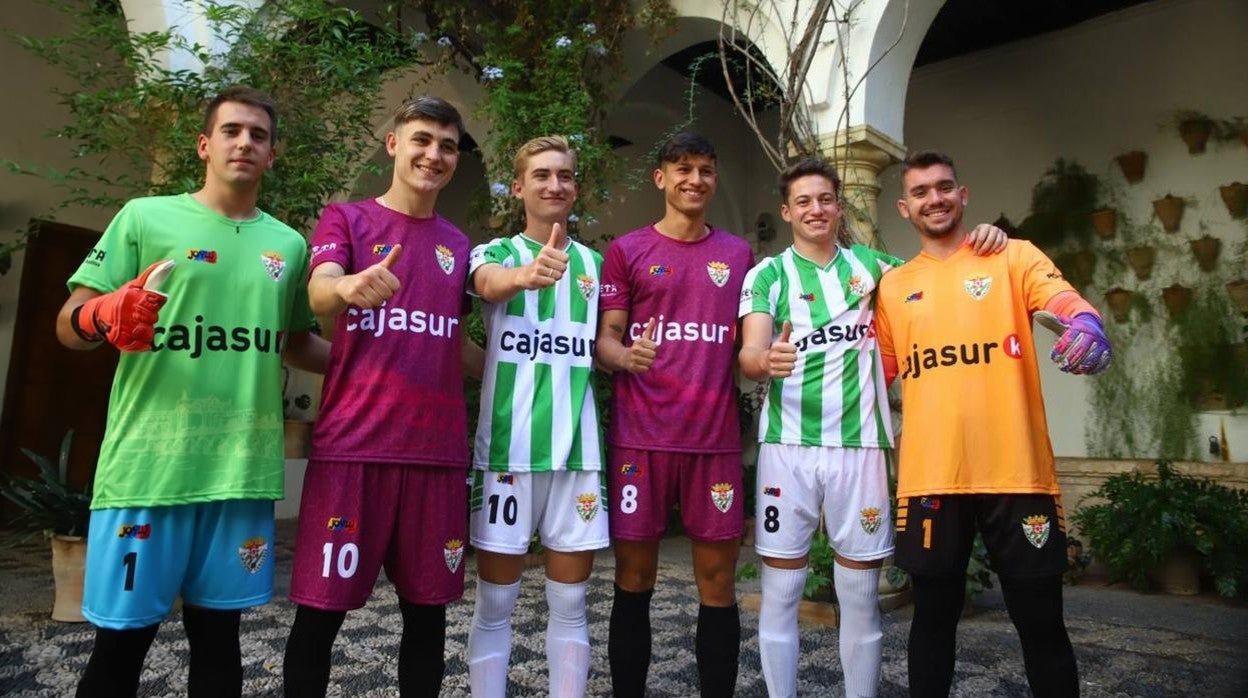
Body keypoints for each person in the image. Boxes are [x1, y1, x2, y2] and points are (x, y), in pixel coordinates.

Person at [57, 86, 328, 697]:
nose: (245, 143)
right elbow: (69, 322)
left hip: (240, 472)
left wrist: (377, 365)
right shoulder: (144, 216)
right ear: (206, 145)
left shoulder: (287, 244)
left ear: (272, 154)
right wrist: (103, 315)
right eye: (232, 131)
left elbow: (294, 341)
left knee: (219, 645)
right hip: (149, 470)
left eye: (258, 135)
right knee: (120, 647)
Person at [738, 157, 1006, 698]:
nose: (817, 209)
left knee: (860, 596)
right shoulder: (766, 274)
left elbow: (941, 272)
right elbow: (749, 352)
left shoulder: (877, 268)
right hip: (787, 449)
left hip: (860, 449)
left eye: (826, 199)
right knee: (782, 589)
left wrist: (984, 239)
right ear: (787, 211)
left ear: (840, 206)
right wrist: (766, 361)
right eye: (804, 201)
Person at [875, 151, 1111, 698]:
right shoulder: (893, 287)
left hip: (1018, 474)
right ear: (904, 208)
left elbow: (1067, 304)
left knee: (1042, 624)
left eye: (944, 187)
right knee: (931, 622)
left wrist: (1088, 325)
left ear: (963, 194)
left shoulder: (1014, 257)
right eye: (921, 192)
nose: (934, 198)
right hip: (932, 479)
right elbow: (871, 379)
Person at [282, 96, 482, 697]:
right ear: (394, 144)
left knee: (427, 619)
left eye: (447, 145)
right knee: (320, 616)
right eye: (422, 139)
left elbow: (460, 349)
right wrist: (345, 284)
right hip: (354, 452)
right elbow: (319, 297)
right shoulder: (347, 220)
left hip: (437, 457)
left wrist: (542, 365)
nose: (434, 154)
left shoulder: (460, 246)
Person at [595, 132, 754, 697]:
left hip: (713, 442)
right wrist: (625, 356)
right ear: (660, 178)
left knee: (718, 582)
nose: (695, 179)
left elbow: (750, 342)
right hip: (642, 440)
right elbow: (605, 340)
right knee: (634, 578)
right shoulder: (629, 251)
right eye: (682, 168)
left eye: (706, 170)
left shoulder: (738, 255)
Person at [464, 135, 608, 697]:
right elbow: (485, 285)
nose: (555, 185)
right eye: (542, 175)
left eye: (565, 176)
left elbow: (601, 345)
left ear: (575, 188)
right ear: (519, 187)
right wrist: (525, 276)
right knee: (495, 602)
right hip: (507, 451)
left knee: (571, 603)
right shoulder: (495, 254)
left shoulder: (595, 265)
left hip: (578, 452)